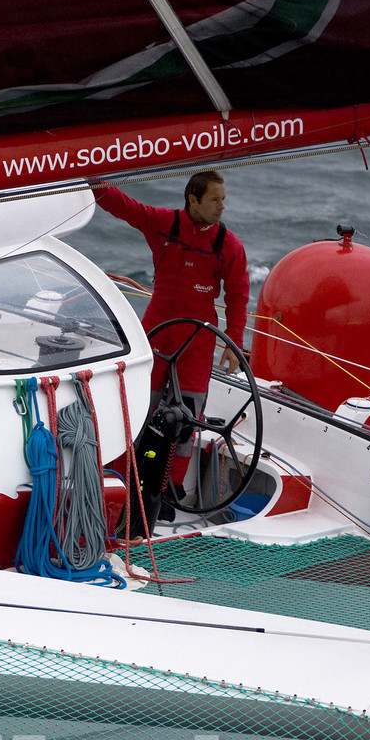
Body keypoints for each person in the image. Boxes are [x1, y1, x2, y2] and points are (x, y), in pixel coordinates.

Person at [93, 171, 249, 507]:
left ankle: (169, 490)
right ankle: (119, 480)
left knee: (186, 419)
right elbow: (123, 206)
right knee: (136, 408)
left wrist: (233, 342)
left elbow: (238, 296)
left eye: (223, 199)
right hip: (157, 331)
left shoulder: (229, 245)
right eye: (215, 199)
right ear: (193, 200)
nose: (223, 206)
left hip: (197, 341)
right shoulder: (163, 223)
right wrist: (90, 180)